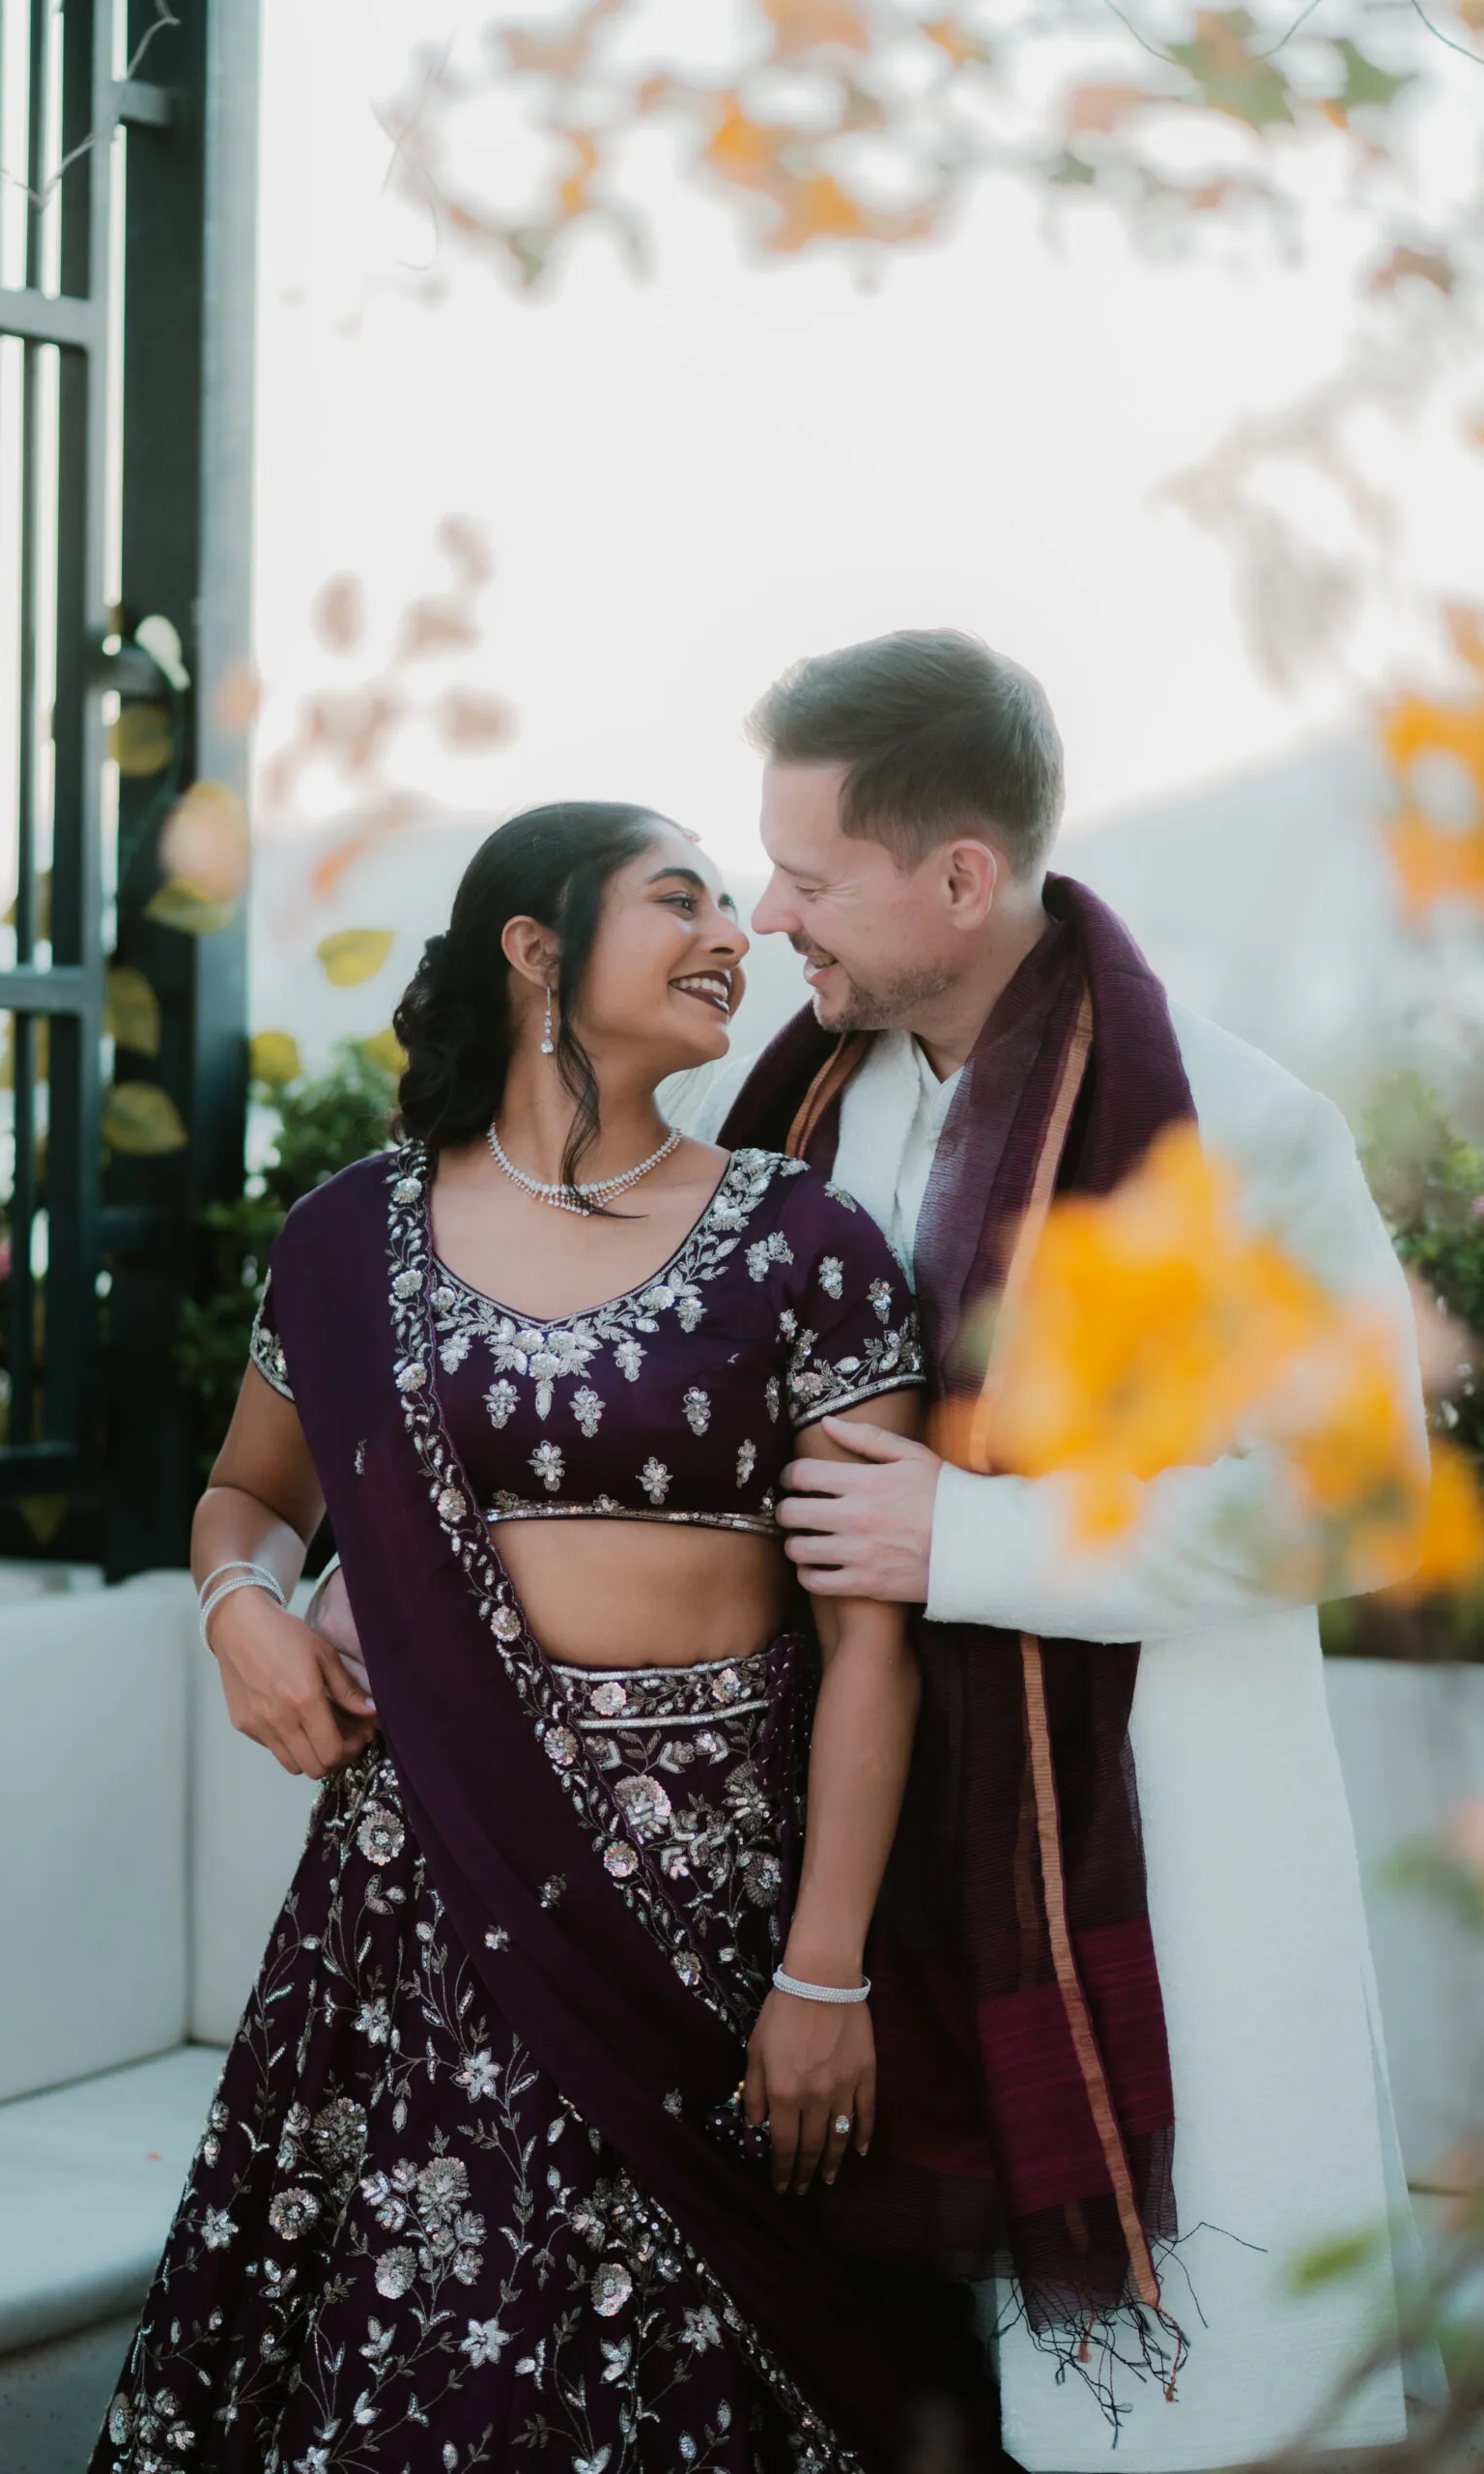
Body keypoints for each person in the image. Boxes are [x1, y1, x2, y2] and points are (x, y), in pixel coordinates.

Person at [90, 801, 1008, 2474]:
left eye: (733, 903)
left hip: (704, 1913)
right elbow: (247, 1497)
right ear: (533, 949)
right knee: (423, 2360)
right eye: (680, 899)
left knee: (691, 2363)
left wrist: (823, 1971)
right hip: (417, 1895)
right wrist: (240, 1613)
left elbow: (873, 1648)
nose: (733, 933)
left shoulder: (800, 1241)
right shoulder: (349, 1238)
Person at [698, 630, 1429, 2474]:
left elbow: (1359, 1494)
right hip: (830, 1852)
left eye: (809, 877)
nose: (768, 914)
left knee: (1155, 2424)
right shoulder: (781, 1121)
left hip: (1141, 1847)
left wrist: (974, 1537)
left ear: (960, 877)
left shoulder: (1239, 1136)